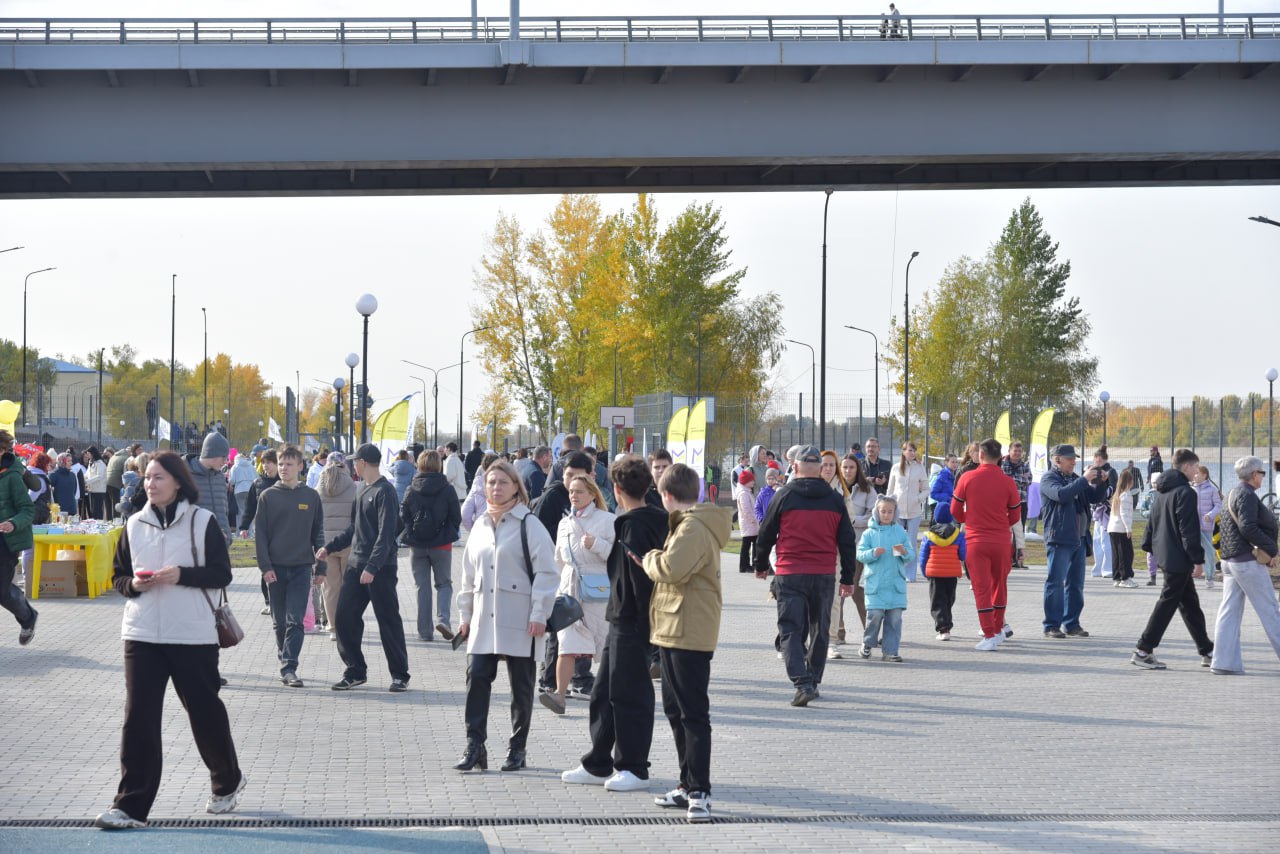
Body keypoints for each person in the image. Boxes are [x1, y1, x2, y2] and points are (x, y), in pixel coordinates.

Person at [94, 451, 244, 829]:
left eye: (158, 477)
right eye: (147, 477)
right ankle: (130, 806)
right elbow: (118, 578)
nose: (150, 484)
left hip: (193, 635)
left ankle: (227, 780)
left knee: (204, 713)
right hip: (142, 634)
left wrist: (182, 575)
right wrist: (134, 584)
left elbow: (222, 574)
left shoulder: (202, 521)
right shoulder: (133, 524)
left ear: (178, 481)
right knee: (138, 720)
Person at [560, 455, 669, 792]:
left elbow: (639, 580)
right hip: (621, 616)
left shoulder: (634, 524)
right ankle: (598, 762)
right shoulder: (651, 520)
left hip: (633, 620)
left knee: (630, 693)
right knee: (604, 691)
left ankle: (634, 767)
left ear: (616, 490)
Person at [454, 460, 559, 773]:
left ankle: (517, 748)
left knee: (521, 686)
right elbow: (468, 575)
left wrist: (540, 613)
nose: (496, 488)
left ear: (516, 486)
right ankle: (475, 745)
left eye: (502, 482)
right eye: (491, 482)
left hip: (521, 617)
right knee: (476, 678)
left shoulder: (529, 524)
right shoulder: (480, 525)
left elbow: (547, 573)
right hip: (483, 618)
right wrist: (464, 615)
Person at [642, 463, 731, 824]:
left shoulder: (693, 527)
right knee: (675, 710)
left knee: (692, 713)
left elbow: (671, 569)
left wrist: (650, 558)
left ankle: (700, 792)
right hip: (674, 626)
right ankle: (686, 783)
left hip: (689, 629)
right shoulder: (687, 524)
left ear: (666, 495)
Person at [754, 445, 857, 707]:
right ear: (820, 469)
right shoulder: (835, 499)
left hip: (790, 573)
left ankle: (802, 683)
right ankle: (813, 680)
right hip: (823, 573)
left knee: (790, 628)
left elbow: (766, 533)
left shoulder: (784, 495)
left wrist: (760, 565)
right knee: (820, 629)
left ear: (795, 467)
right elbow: (847, 542)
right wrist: (847, 578)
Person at [315, 443, 410, 693]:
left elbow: (387, 533)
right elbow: (354, 529)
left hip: (379, 569)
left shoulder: (385, 492)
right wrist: (329, 547)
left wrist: (373, 566)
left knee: (388, 620)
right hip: (356, 565)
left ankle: (399, 674)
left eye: (355, 461)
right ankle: (355, 670)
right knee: (344, 617)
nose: (353, 466)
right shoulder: (361, 489)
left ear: (363, 463)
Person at [1132, 449, 1215, 670]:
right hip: (1178, 558)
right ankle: (1143, 650)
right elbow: (1188, 529)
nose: (1197, 471)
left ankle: (1207, 650)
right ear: (1186, 467)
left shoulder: (1162, 491)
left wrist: (1149, 546)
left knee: (1190, 605)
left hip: (1167, 554)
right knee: (1167, 603)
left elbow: (1152, 522)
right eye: (1195, 467)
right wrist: (1197, 559)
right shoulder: (1186, 493)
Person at [540, 475, 615, 715]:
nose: (574, 495)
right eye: (571, 491)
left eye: (579, 491)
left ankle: (612, 695)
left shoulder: (608, 520)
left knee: (602, 644)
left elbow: (616, 556)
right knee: (567, 644)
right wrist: (555, 590)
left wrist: (597, 545)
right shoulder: (564, 523)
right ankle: (560, 696)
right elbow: (558, 560)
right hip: (569, 591)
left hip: (597, 592)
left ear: (592, 494)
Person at [253, 445, 325, 688]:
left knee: (296, 620)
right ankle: (284, 657)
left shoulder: (311, 496)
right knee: (280, 622)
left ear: (300, 467)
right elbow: (260, 535)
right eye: (281, 464)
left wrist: (321, 568)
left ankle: (289, 666)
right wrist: (265, 567)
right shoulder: (268, 496)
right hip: (275, 568)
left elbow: (318, 534)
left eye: (289, 464)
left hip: (301, 568)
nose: (283, 468)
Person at [1209, 456, 1280, 675]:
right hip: (1246, 562)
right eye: (1262, 473)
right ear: (1254, 474)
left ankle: (1223, 662)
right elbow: (1248, 528)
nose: (1263, 476)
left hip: (1230, 561)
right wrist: (1271, 550)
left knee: (1229, 612)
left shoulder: (1232, 493)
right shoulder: (1247, 496)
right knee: (1271, 611)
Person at [950, 438, 1023, 651]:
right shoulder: (1008, 482)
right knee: (999, 585)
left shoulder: (967, 477)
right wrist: (1000, 525)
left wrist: (970, 520)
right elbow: (1015, 515)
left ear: (980, 455)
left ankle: (989, 634)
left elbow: (954, 510)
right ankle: (998, 630)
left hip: (976, 540)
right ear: (1000, 457)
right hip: (1001, 541)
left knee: (982, 588)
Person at [1038, 445, 1107, 639]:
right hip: (1059, 538)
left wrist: (1102, 482)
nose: (1073, 461)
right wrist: (1084, 479)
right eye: (1069, 458)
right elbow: (1061, 495)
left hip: (1079, 538)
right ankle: (1051, 625)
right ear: (1057, 459)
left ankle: (1072, 623)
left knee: (1076, 584)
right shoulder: (1049, 478)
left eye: (1074, 458)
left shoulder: (1075, 478)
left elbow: (1094, 497)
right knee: (1056, 583)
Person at [401, 449, 462, 642]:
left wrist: (411, 533)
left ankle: (424, 632)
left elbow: (404, 516)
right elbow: (456, 517)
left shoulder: (411, 488)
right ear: (439, 465)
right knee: (444, 584)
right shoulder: (447, 489)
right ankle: (443, 620)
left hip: (417, 546)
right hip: (441, 545)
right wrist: (448, 533)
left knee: (422, 587)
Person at [856, 496, 913, 662]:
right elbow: (860, 554)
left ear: (895, 513)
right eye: (883, 511)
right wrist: (872, 553)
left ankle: (890, 651)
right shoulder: (869, 533)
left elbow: (911, 555)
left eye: (890, 512)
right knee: (874, 615)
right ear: (877, 512)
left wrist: (904, 552)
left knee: (895, 619)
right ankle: (867, 643)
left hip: (895, 584)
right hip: (876, 583)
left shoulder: (900, 532)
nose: (886, 515)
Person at [0, 431, 38, 646]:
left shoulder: (13, 476)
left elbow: (27, 509)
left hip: (6, 541)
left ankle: (28, 617)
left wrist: (13, 523)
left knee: (2, 591)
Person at [315, 452, 356, 639]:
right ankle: (347, 625)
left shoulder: (318, 487)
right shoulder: (353, 486)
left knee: (330, 588)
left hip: (325, 544)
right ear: (344, 465)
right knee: (349, 587)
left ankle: (333, 628)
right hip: (348, 542)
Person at [920, 501, 965, 641]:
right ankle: (947, 624)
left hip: (935, 574)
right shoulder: (958, 535)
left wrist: (924, 572)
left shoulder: (929, 536)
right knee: (948, 600)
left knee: (937, 601)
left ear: (935, 517)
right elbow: (963, 555)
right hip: (952, 573)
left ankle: (943, 628)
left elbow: (923, 556)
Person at [840, 454, 875, 631]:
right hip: (836, 545)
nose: (848, 471)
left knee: (854, 588)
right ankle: (838, 630)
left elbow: (874, 515)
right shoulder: (834, 487)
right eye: (845, 467)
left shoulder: (866, 489)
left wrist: (854, 520)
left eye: (851, 467)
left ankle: (870, 630)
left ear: (857, 469)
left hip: (858, 544)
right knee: (837, 591)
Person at [886, 442, 928, 581]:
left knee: (911, 542)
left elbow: (926, 489)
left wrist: (918, 498)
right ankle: (898, 572)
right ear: (903, 452)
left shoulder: (920, 468)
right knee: (898, 541)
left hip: (914, 511)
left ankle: (910, 574)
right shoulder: (896, 468)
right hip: (898, 511)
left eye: (914, 450)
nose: (912, 453)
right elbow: (890, 490)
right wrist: (889, 506)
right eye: (910, 450)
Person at [1001, 442, 1033, 568]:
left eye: (1020, 451)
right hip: (1005, 503)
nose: (1018, 453)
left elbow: (1029, 480)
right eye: (1015, 450)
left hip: (1021, 502)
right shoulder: (1002, 464)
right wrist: (1019, 478)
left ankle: (1017, 559)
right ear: (1009, 451)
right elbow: (1002, 481)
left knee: (1019, 531)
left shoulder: (1025, 465)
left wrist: (1011, 479)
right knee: (1006, 530)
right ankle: (1006, 558)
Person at [1192, 465, 1222, 588]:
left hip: (1206, 526)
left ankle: (1209, 577)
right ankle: (1190, 574)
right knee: (1190, 549)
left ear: (1204, 475)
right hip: (1192, 526)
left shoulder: (1212, 489)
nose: (1195, 475)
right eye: (1194, 473)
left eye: (1197, 473)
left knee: (1208, 551)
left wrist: (1210, 515)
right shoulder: (1190, 489)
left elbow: (1218, 505)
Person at [1089, 446, 1117, 579]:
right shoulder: (1095, 471)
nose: (1095, 461)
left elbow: (1113, 489)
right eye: (1095, 459)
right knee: (1097, 540)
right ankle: (1098, 568)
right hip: (1097, 510)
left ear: (1100, 459)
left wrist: (1099, 496)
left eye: (1096, 459)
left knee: (1105, 540)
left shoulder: (1111, 472)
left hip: (1106, 510)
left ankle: (1107, 569)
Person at [1108, 468, 1137, 587]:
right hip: (1121, 529)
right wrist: (1128, 528)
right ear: (1129, 481)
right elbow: (1124, 514)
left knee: (1116, 554)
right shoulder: (1126, 495)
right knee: (1126, 554)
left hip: (1113, 528)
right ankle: (1125, 578)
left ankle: (1117, 577)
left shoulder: (1117, 494)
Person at [461, 452, 500, 531]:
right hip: (501, 527)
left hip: (481, 526)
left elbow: (465, 512)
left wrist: (472, 529)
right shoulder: (504, 484)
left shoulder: (477, 484)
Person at [735, 469, 759, 574]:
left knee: (751, 544)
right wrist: (754, 520)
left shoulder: (746, 492)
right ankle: (744, 566)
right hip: (749, 524)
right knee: (747, 545)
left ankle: (750, 564)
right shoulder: (743, 494)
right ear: (746, 482)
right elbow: (746, 510)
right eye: (751, 480)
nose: (753, 482)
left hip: (750, 524)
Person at [228, 452, 256, 529]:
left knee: (240, 511)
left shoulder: (235, 467)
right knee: (249, 511)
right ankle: (250, 532)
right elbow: (256, 478)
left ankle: (240, 531)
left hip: (239, 491)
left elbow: (232, 481)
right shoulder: (251, 466)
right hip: (250, 490)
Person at [84, 445, 108, 520]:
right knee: (92, 511)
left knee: (97, 511)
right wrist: (82, 479)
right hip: (92, 490)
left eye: (88, 453)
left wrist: (87, 482)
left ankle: (99, 524)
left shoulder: (100, 463)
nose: (87, 455)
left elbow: (99, 476)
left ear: (92, 453)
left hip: (99, 491)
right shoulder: (91, 462)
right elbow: (87, 473)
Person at [105, 445, 128, 522]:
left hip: (107, 482)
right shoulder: (126, 458)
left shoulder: (114, 457)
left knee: (108, 505)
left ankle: (108, 522)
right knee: (116, 505)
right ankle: (116, 522)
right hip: (116, 484)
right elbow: (125, 473)